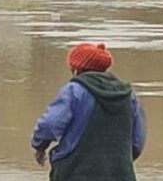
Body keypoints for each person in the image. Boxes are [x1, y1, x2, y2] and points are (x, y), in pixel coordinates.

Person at [31, 42, 146, 181]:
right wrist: (118, 161)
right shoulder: (128, 95)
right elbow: (137, 141)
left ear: (76, 68)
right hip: (120, 173)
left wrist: (39, 146)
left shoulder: (74, 90)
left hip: (75, 171)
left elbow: (49, 124)